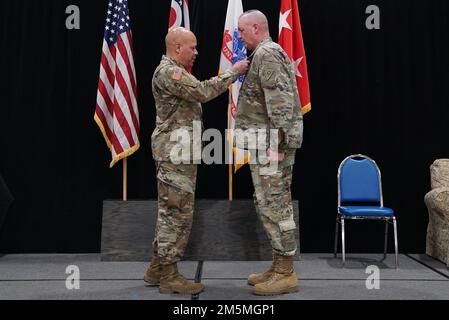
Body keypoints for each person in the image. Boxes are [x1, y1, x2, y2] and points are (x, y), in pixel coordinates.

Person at [144, 27, 249, 295]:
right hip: (174, 156)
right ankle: (169, 276)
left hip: (179, 154)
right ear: (177, 47)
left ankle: (157, 267)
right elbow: (203, 91)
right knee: (176, 215)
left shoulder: (173, 71)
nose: (196, 52)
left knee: (170, 211)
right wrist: (233, 71)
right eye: (192, 47)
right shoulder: (171, 72)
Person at [234, 10, 304, 296]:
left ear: (255, 28)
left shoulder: (268, 53)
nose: (238, 36)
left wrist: (276, 145)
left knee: (276, 205)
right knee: (267, 202)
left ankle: (286, 272)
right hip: (264, 144)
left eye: (241, 31)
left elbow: (280, 104)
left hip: (272, 146)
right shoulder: (262, 53)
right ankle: (278, 265)